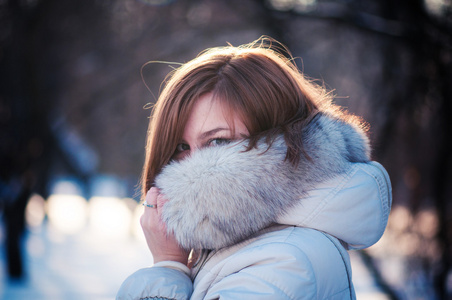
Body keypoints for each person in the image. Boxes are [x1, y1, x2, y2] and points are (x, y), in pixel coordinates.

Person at [116, 37, 392, 300]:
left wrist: (168, 268)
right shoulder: (249, 241)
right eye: (180, 148)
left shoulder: (283, 263)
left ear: (279, 146)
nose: (189, 170)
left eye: (217, 142)